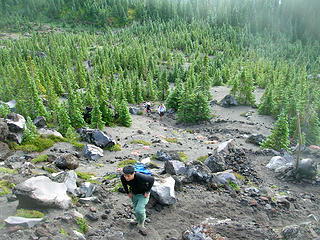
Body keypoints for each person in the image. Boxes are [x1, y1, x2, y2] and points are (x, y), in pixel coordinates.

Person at [121, 165, 155, 236]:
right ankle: (136, 220)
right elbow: (124, 184)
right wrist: (128, 192)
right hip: (134, 194)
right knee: (135, 208)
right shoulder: (123, 177)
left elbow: (152, 179)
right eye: (125, 175)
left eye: (128, 176)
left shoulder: (140, 177)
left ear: (133, 173)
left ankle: (141, 223)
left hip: (143, 195)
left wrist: (147, 191)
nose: (126, 178)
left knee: (139, 210)